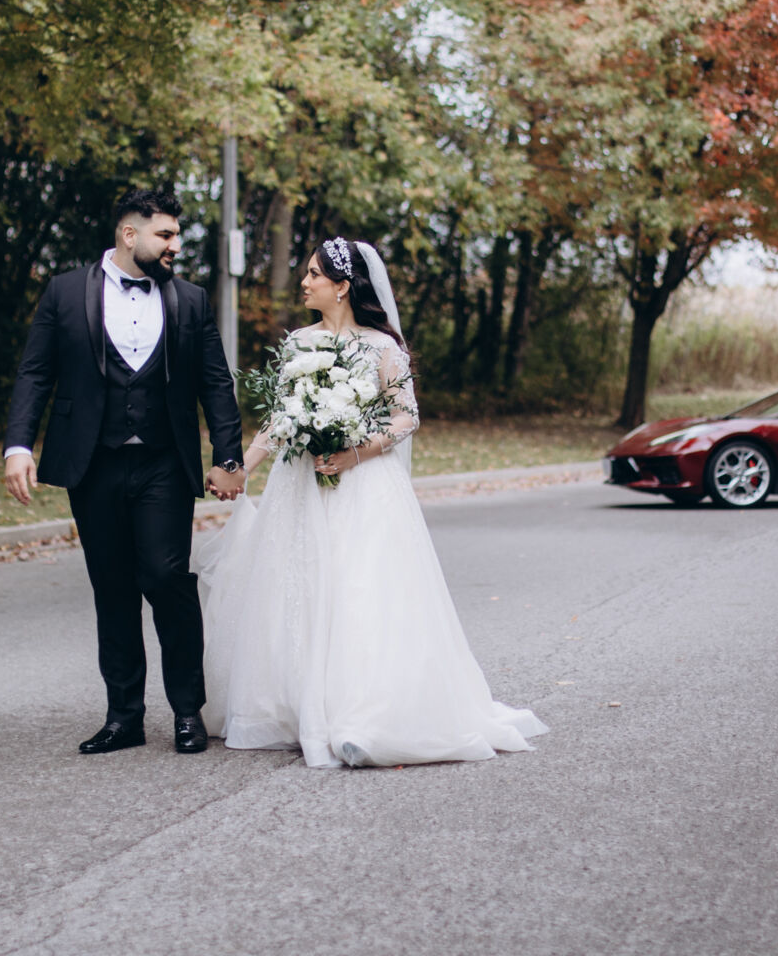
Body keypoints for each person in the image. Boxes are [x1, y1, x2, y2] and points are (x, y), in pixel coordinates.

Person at [192, 237, 547, 767]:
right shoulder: (298, 344)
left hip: (363, 483)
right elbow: (281, 418)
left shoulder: (383, 347)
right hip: (301, 485)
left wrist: (354, 453)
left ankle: (362, 714)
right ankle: (293, 706)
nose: (304, 282)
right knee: (297, 587)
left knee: (359, 589)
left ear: (342, 286)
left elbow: (407, 416)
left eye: (314, 274)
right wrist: (244, 467)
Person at [2, 189, 246, 756]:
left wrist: (228, 457)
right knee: (111, 588)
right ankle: (124, 718)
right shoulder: (65, 291)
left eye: (176, 235)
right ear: (129, 234)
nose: (175, 245)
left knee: (166, 578)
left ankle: (187, 710)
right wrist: (18, 446)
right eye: (166, 235)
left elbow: (215, 380)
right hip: (93, 462)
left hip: (164, 460)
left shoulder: (190, 299)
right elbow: (35, 372)